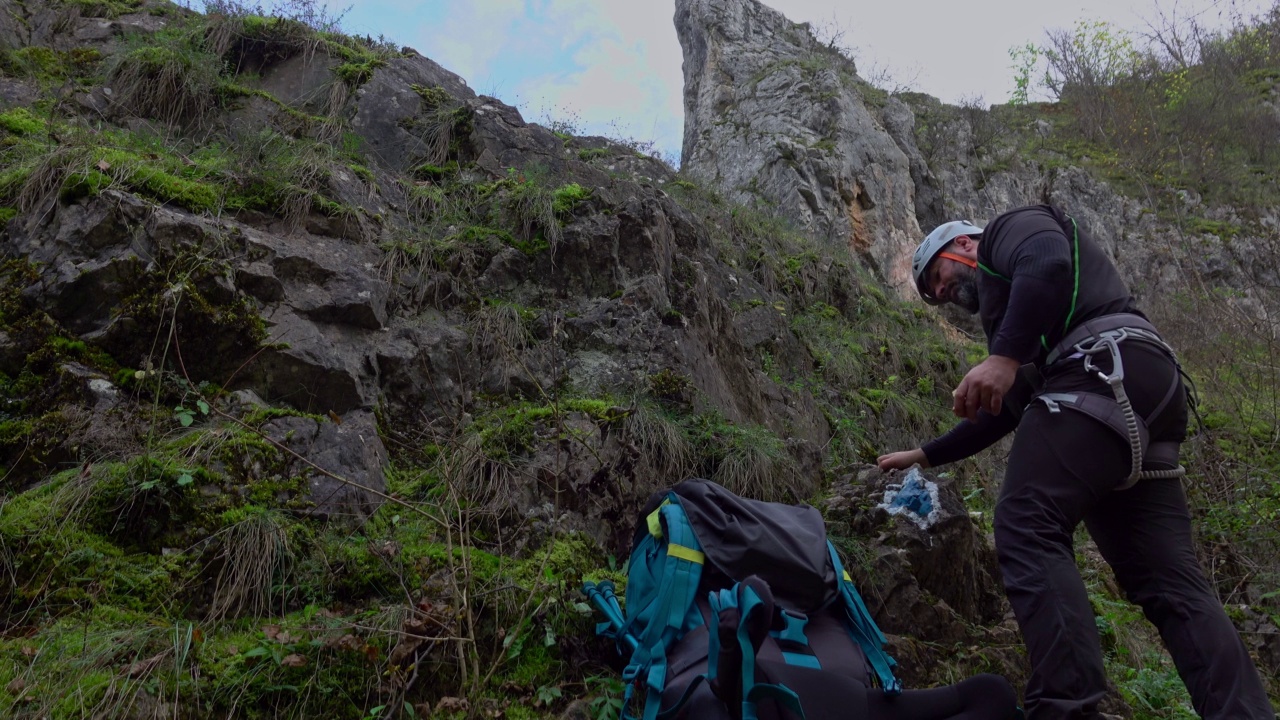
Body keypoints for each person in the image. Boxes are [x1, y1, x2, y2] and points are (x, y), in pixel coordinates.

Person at [877, 205, 1275, 719]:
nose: (945, 295)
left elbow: (1047, 261)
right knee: (1170, 586)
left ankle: (1067, 708)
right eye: (935, 296)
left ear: (965, 246)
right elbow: (1009, 407)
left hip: (1100, 367)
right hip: (1136, 389)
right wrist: (926, 453)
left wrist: (1003, 356)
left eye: (939, 277)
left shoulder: (1008, 232)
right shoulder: (1028, 325)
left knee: (1026, 522)